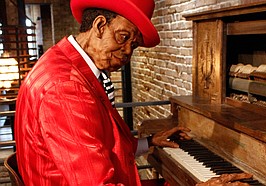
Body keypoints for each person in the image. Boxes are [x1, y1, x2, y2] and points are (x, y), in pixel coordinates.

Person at [14, 0, 252, 185]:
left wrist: (148, 143)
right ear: (99, 25)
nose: (127, 52)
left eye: (133, 45)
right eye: (123, 37)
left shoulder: (65, 63)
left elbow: (95, 142)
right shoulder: (65, 87)